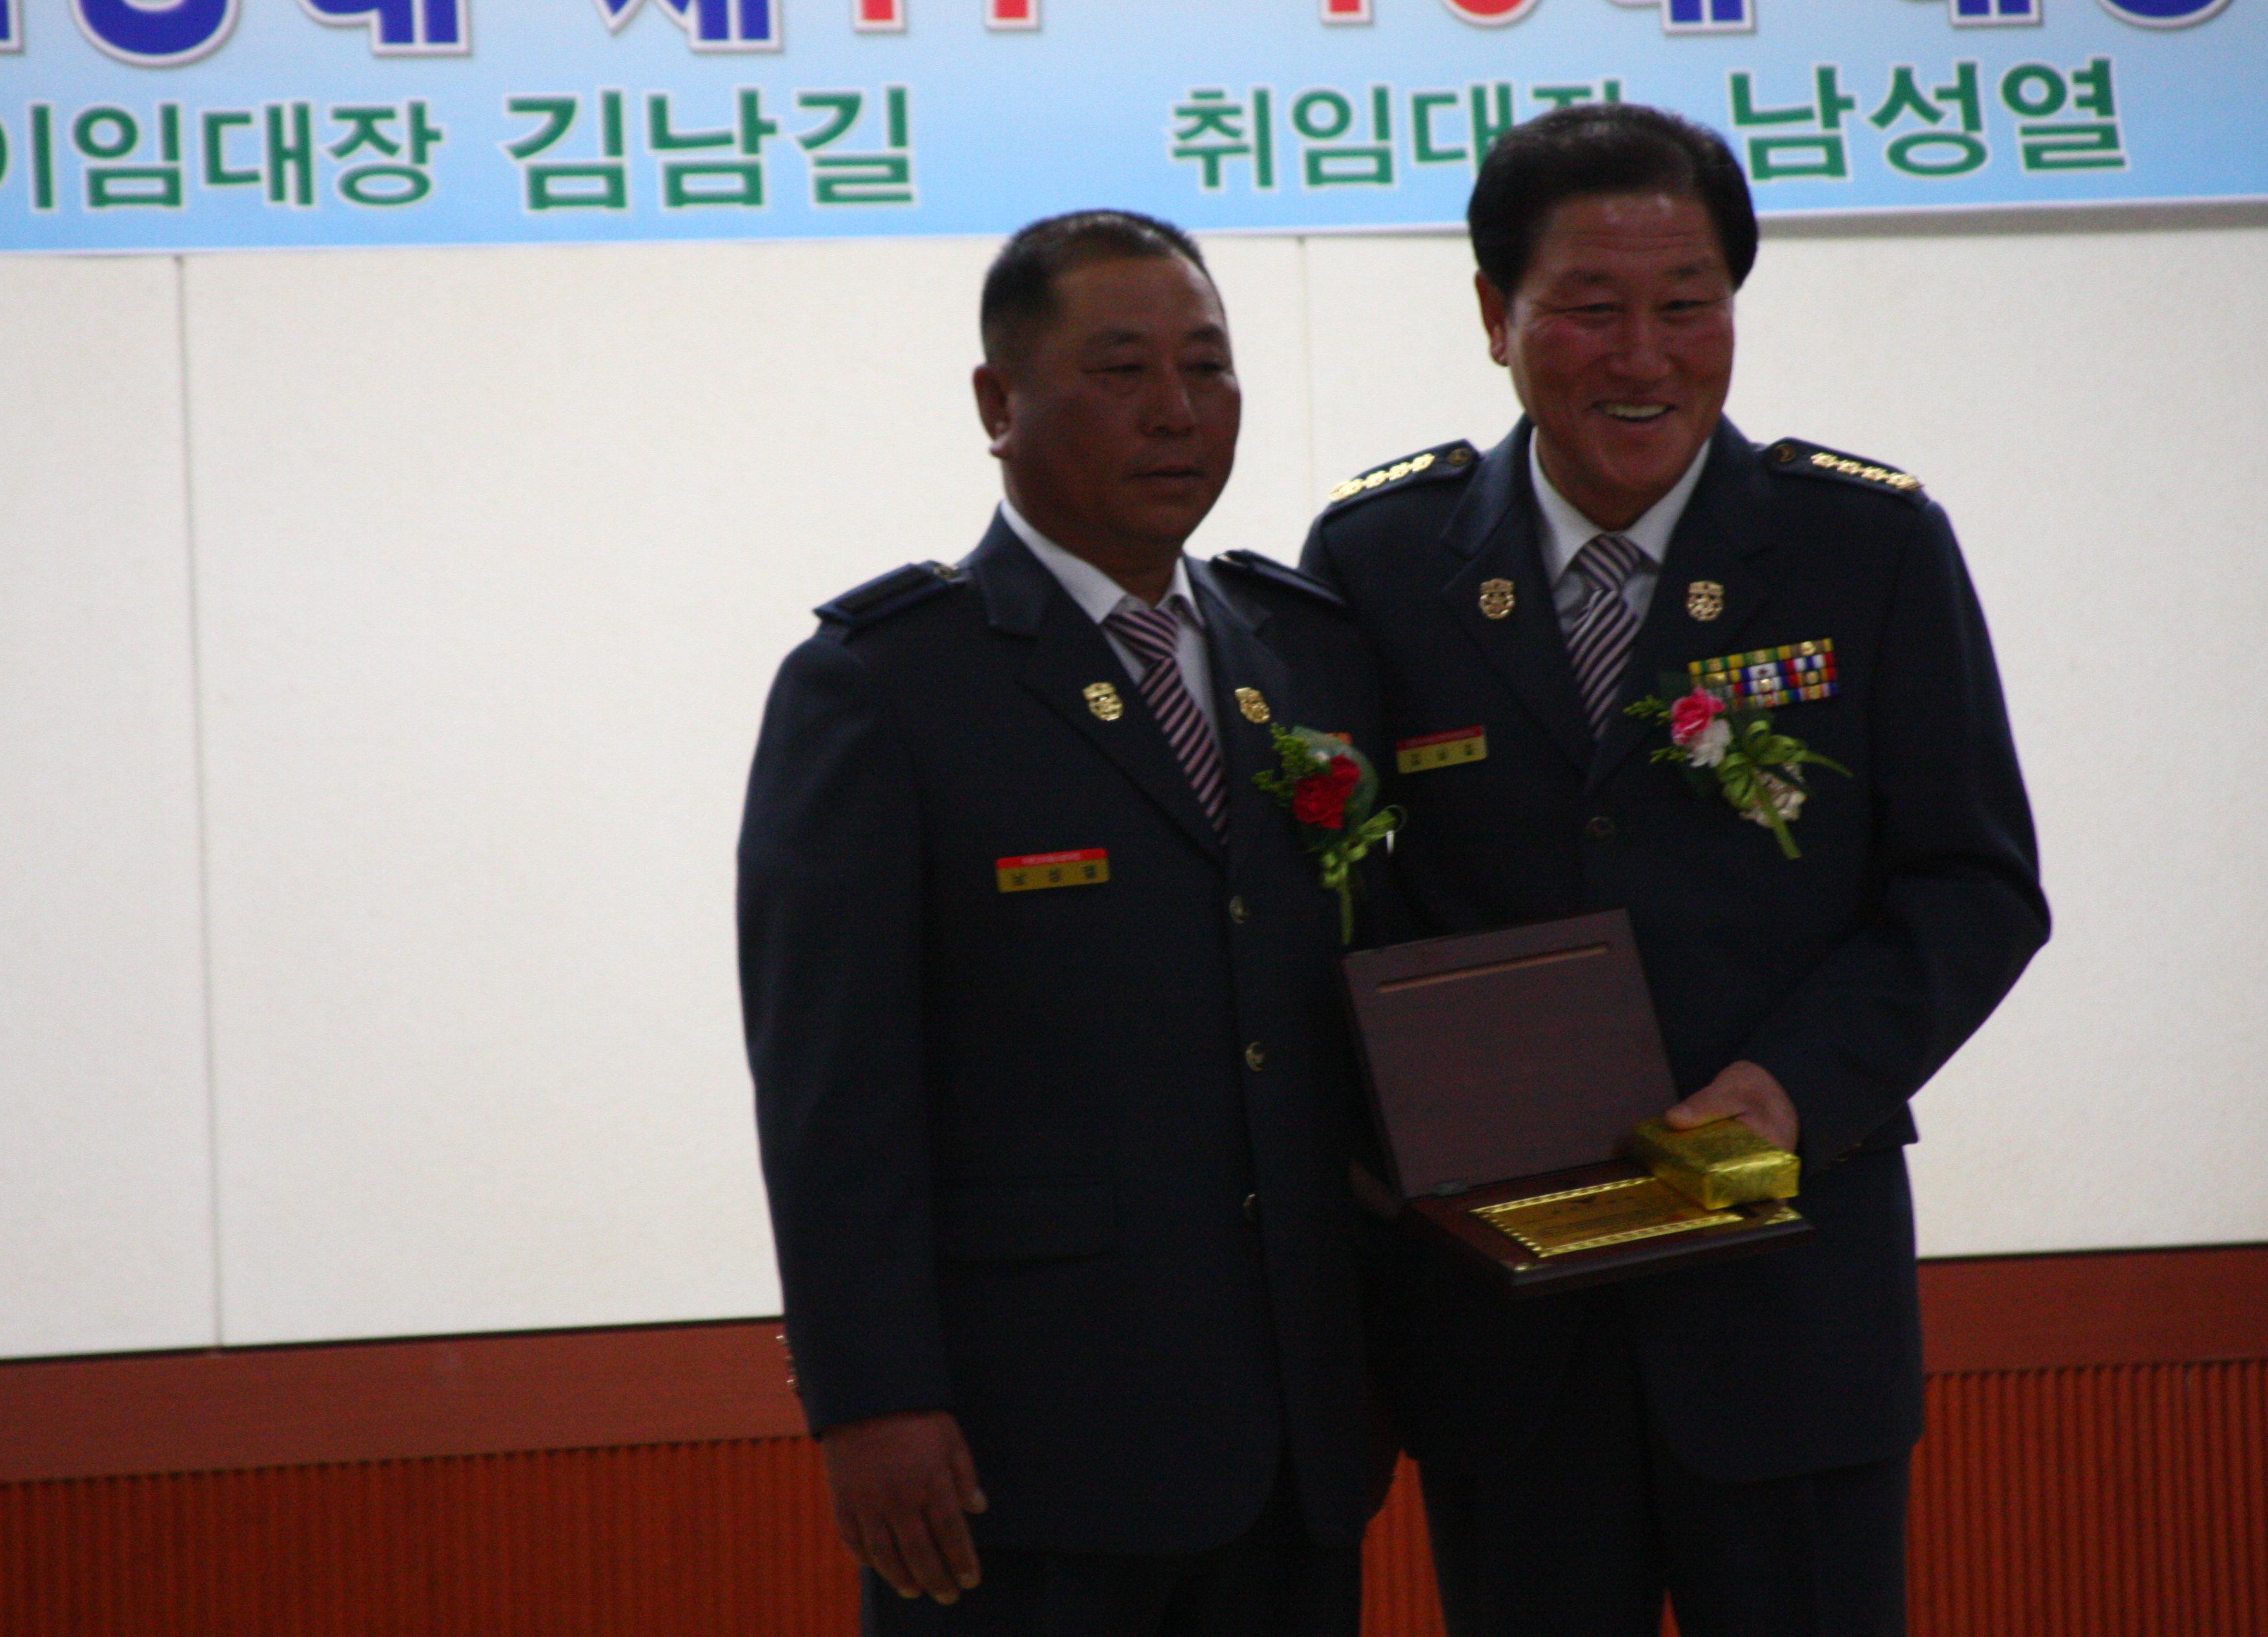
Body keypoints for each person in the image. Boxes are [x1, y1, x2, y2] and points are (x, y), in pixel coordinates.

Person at [1300, 104, 2050, 1636]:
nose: (1644, 356)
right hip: (1504, 1327)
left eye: (1689, 304)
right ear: (1495, 315)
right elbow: (1336, 911)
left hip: (1787, 1315)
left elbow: (1974, 885)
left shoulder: (1865, 549)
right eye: (1590, 308)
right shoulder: (1379, 563)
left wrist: (1794, 1087)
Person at [739, 210, 1388, 1636]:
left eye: (1207, 366)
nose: (1177, 411)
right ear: (999, 403)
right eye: (1120, 369)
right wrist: (871, 1395)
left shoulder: (1306, 651)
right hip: (1027, 1446)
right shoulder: (888, 686)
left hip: (1295, 1438)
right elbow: (832, 1087)